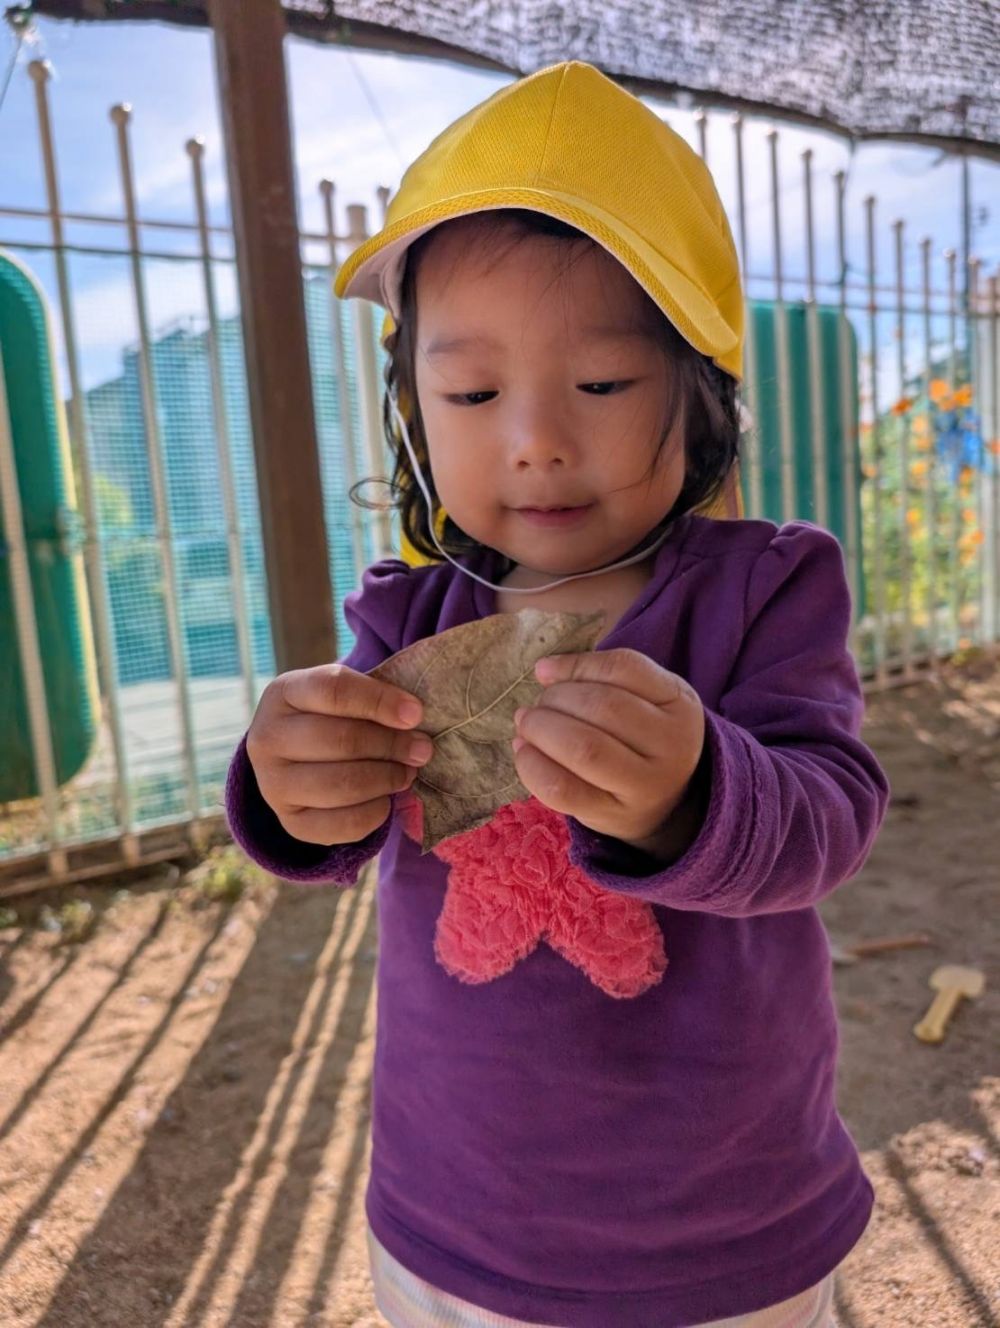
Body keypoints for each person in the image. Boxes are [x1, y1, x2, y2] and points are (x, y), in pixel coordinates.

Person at [224, 60, 890, 1328]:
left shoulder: (763, 589)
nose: (531, 435)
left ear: (700, 393)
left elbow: (832, 818)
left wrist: (698, 791)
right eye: (471, 393)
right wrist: (288, 782)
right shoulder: (405, 615)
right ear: (412, 416)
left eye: (600, 383)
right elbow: (335, 831)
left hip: (723, 1228)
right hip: (450, 1217)